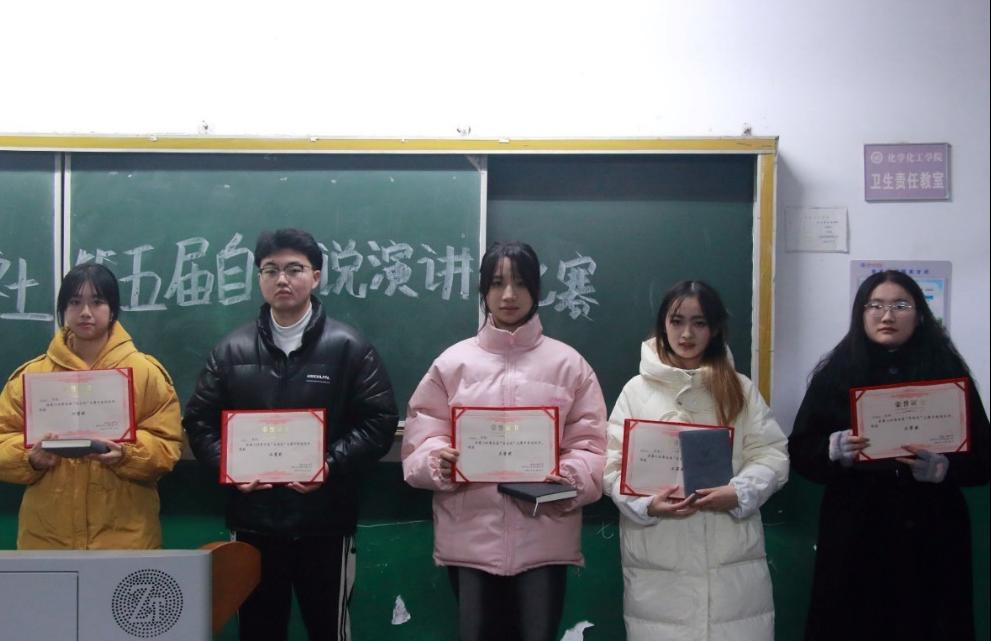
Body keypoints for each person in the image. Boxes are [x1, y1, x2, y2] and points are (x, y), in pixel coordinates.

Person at [183, 228, 398, 641]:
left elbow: (379, 421)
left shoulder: (350, 347)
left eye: (294, 269)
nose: (282, 279)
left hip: (326, 523)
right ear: (259, 278)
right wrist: (230, 465)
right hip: (253, 523)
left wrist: (329, 464)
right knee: (258, 631)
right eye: (271, 270)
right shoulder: (230, 350)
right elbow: (199, 423)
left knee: (327, 630)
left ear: (315, 276)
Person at [401, 241, 607, 641]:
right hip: (470, 541)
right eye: (497, 283)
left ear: (536, 290)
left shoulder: (569, 365)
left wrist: (570, 477)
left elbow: (592, 444)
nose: (509, 295)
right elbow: (421, 435)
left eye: (520, 283)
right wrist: (437, 462)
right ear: (483, 290)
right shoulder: (453, 364)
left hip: (544, 536)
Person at [789, 270, 990, 641]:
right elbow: (801, 451)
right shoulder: (835, 373)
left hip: (933, 530)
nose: (887, 316)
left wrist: (945, 468)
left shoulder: (947, 373)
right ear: (861, 314)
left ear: (920, 314)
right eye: (875, 305)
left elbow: (984, 458)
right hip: (856, 530)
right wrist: (833, 450)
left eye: (900, 305)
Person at [604, 280, 789, 641]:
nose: (686, 334)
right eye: (677, 321)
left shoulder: (739, 388)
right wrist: (645, 505)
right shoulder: (636, 392)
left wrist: (740, 492)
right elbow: (611, 467)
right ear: (663, 325)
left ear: (714, 328)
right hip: (659, 563)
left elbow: (771, 453)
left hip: (731, 563)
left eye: (699, 322)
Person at [0, 263, 182, 549]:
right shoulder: (32, 377)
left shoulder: (145, 372)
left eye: (97, 302)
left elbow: (167, 446)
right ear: (63, 309)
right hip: (47, 540)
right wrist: (30, 458)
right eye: (75, 302)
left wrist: (127, 454)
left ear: (113, 309)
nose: (85, 312)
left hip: (125, 540)